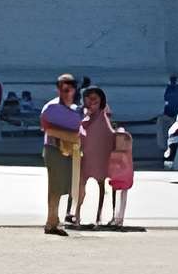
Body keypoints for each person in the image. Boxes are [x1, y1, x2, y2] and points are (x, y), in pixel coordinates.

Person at [41, 73, 86, 234]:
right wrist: (71, 136)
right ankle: (51, 221)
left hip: (71, 151)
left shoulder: (76, 110)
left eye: (69, 89)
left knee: (64, 188)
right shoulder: (51, 107)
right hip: (54, 149)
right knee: (54, 187)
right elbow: (47, 128)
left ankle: (55, 220)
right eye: (63, 89)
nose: (66, 92)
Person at [78, 84, 120, 227]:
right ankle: (76, 214)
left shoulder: (102, 115)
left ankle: (99, 216)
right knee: (80, 186)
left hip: (101, 157)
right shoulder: (85, 116)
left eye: (94, 100)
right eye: (87, 100)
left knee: (103, 187)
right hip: (87, 157)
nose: (90, 103)